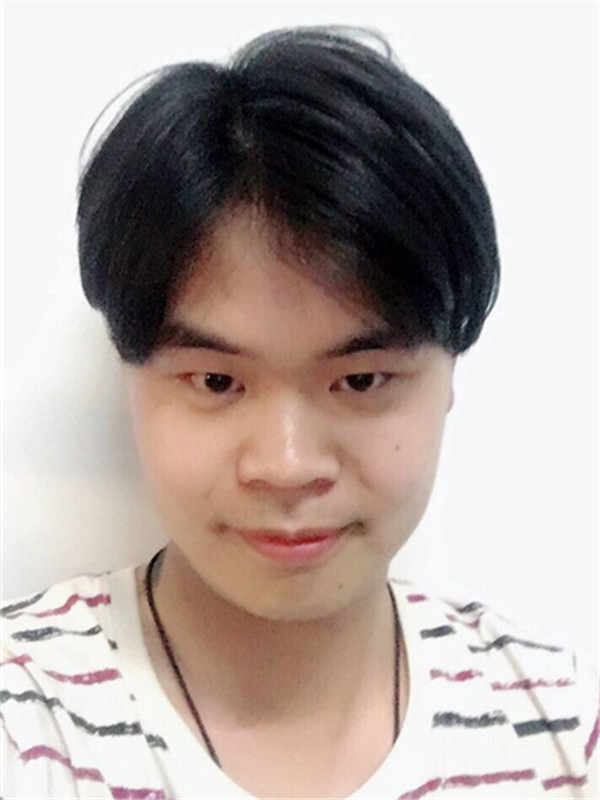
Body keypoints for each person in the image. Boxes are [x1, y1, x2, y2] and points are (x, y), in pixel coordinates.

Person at [1, 24, 597, 800]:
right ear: (131, 377)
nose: (286, 467)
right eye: (217, 381)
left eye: (361, 380)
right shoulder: (27, 721)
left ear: (449, 374)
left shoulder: (561, 725)